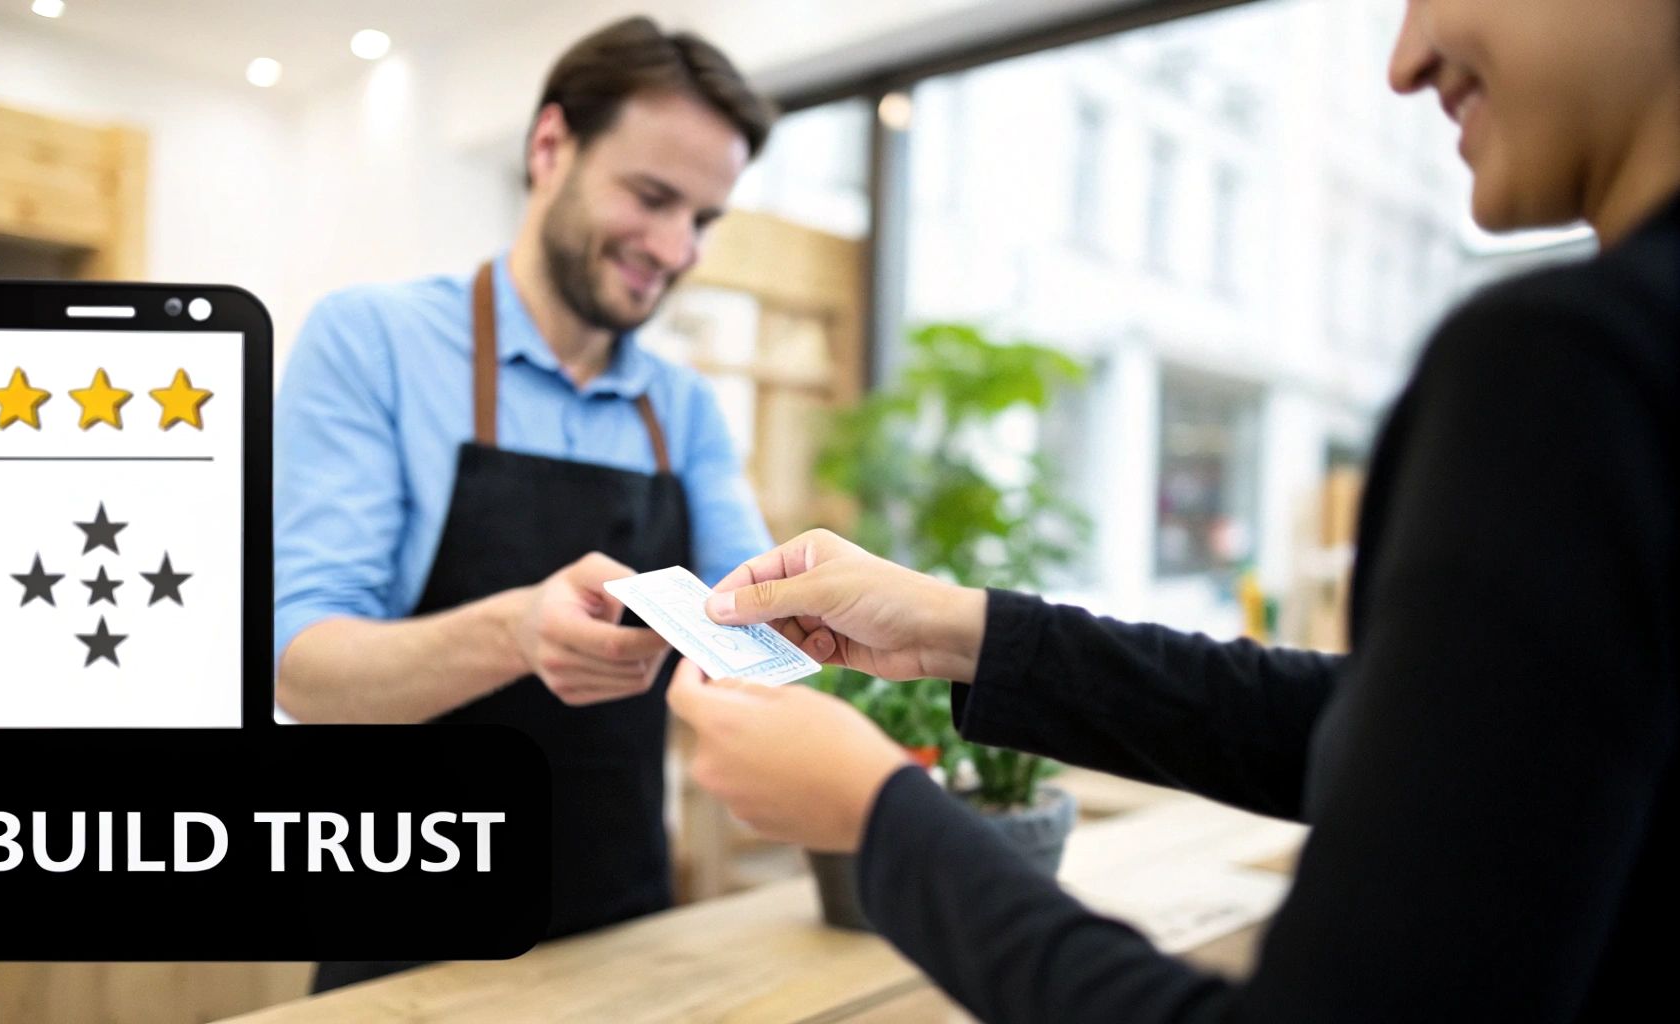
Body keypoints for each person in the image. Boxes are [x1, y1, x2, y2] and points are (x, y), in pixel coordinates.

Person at [667, 0, 1679, 1019]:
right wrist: (958, 627)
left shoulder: (1573, 371)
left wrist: (876, 815)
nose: (1404, 61)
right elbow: (1418, 740)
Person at [273, 17, 776, 992]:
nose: (675, 248)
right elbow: (303, 668)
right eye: (650, 195)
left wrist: (805, 640)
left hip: (627, 933)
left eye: (703, 219)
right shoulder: (372, 342)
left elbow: (749, 639)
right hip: (405, 942)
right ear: (549, 148)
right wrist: (516, 630)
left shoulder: (684, 409)